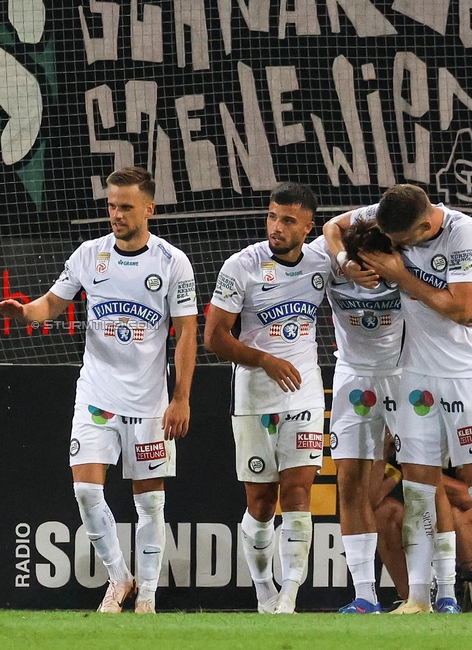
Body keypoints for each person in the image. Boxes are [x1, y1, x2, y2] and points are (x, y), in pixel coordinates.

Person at [0, 166, 197, 615]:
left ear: (149, 209)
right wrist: (26, 312)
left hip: (148, 403)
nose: (116, 214)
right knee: (86, 491)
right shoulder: (89, 255)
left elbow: (186, 332)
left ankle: (147, 596)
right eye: (111, 205)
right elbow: (54, 301)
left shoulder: (171, 262)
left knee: (150, 503)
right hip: (96, 397)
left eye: (126, 207)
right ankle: (118, 577)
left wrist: (180, 397)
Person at [333, 184, 472, 613]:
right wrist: (344, 262)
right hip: (415, 372)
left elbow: (461, 307)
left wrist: (400, 274)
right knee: (417, 483)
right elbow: (333, 226)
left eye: (403, 240)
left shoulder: (463, 232)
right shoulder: (394, 213)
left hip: (466, 371)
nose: (394, 246)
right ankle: (417, 597)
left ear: (427, 224)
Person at [204, 182, 330, 614]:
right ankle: (264, 590)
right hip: (255, 396)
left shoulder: (323, 261)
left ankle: (290, 596)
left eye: (288, 220)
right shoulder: (242, 265)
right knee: (260, 504)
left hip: (305, 395)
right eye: (273, 216)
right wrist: (263, 359)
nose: (276, 227)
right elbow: (214, 337)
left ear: (309, 227)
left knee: (298, 494)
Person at [321, 218, 409, 613]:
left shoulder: (407, 267)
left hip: (404, 375)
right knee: (350, 481)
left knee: (426, 482)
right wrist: (341, 259)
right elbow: (328, 229)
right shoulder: (330, 266)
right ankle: (365, 596)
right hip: (353, 377)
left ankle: (438, 593)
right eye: (362, 262)